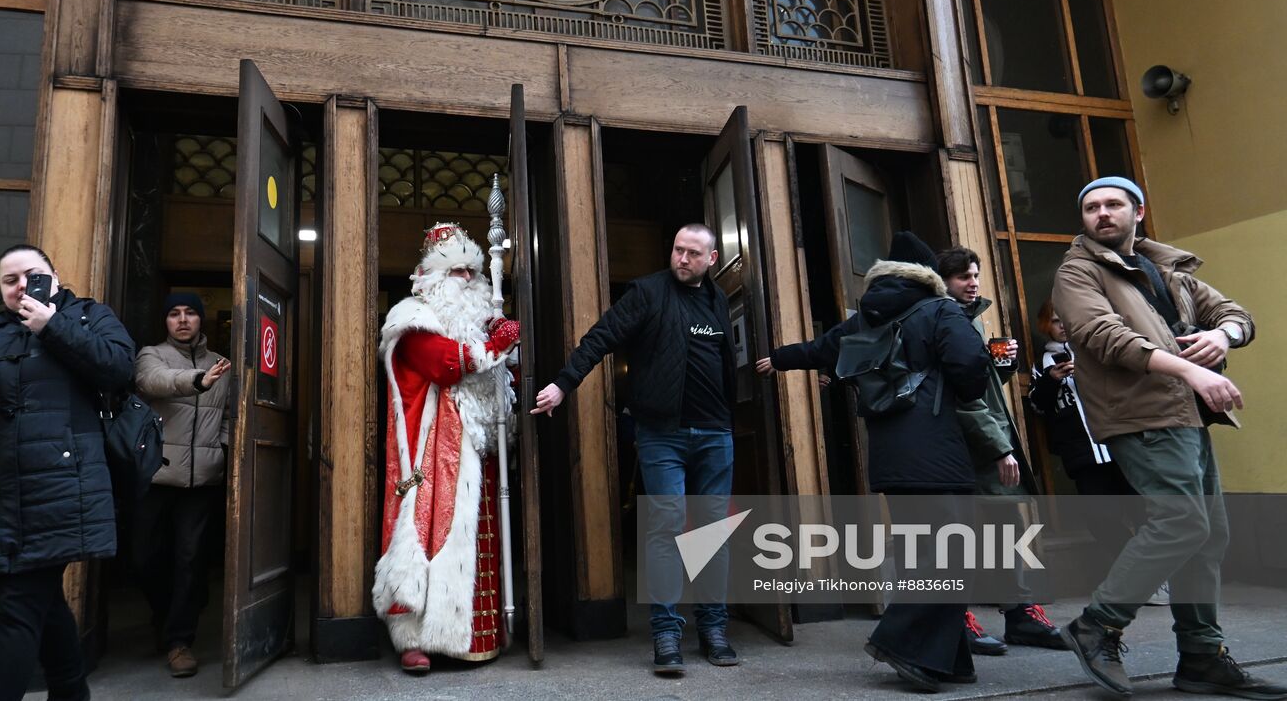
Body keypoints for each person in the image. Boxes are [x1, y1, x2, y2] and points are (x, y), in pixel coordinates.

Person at [1053, 177, 1287, 700]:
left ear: (1138, 210)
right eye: (1091, 207)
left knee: (1208, 535)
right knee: (1181, 521)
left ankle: (1201, 656)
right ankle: (1097, 624)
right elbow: (1104, 337)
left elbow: (1238, 315)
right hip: (1140, 415)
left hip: (1187, 417)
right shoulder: (1078, 272)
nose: (1102, 214)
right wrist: (1191, 371)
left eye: (1113, 204)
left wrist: (1218, 336)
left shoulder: (1168, 269)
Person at [756, 231, 990, 692]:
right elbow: (969, 364)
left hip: (891, 456)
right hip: (937, 453)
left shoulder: (866, 317)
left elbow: (821, 350)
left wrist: (777, 359)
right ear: (930, 276)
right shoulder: (940, 310)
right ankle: (900, 643)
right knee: (951, 556)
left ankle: (950, 660)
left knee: (929, 554)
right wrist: (969, 388)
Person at [0, 244, 134, 701]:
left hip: (60, 487)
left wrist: (52, 326)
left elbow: (118, 369)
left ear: (54, 276)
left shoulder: (86, 316)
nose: (19, 288)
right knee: (41, 599)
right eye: (9, 281)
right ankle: (71, 693)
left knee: (17, 603)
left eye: (30, 276)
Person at [533, 223, 740, 676]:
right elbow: (601, 337)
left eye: (692, 253)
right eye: (677, 249)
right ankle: (666, 633)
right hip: (662, 434)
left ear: (711, 258)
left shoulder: (718, 300)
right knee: (665, 529)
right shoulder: (648, 293)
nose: (682, 259)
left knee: (711, 533)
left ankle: (714, 627)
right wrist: (564, 384)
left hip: (715, 434)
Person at [373, 222, 519, 674]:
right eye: (457, 272)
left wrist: (498, 339)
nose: (468, 281)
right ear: (430, 276)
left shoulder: (474, 319)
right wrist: (493, 343)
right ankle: (413, 639)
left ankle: (471, 636)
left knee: (475, 540)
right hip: (428, 453)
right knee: (422, 536)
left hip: (475, 445)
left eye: (472, 272)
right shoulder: (411, 320)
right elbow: (445, 363)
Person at [935, 246, 1064, 653]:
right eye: (963, 277)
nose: (973, 283)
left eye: (975, 275)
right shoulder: (944, 321)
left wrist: (1001, 367)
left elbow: (980, 389)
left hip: (987, 440)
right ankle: (958, 617)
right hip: (966, 446)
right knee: (961, 536)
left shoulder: (968, 323)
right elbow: (961, 398)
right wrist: (998, 447)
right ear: (942, 282)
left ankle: (1020, 613)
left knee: (1006, 527)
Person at [1027, 299, 1170, 607]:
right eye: (1054, 320)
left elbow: (1129, 383)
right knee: (1100, 517)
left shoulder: (1094, 349)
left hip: (1121, 444)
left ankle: (1156, 578)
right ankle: (1137, 575)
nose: (1062, 325)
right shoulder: (1042, 364)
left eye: (1065, 318)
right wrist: (1053, 382)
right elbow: (1038, 406)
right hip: (1083, 454)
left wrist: (1090, 374)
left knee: (1142, 510)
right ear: (1045, 325)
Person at [133, 293, 233, 677]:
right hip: (157, 475)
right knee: (144, 558)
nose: (182, 319)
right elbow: (152, 382)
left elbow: (228, 415)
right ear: (166, 321)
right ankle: (163, 613)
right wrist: (196, 381)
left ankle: (179, 641)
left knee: (190, 560)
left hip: (201, 480)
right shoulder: (151, 355)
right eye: (174, 313)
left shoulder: (220, 365)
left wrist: (221, 448)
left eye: (190, 312)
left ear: (201, 319)